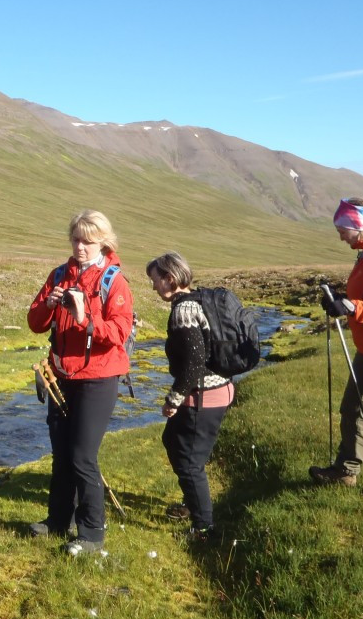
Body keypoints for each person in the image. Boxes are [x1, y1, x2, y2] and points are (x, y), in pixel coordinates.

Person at [27, 210, 134, 554]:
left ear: (103, 242)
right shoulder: (59, 275)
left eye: (87, 241)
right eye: (75, 239)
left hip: (99, 378)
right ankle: (58, 520)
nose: (80, 247)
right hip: (62, 376)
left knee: (82, 456)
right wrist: (49, 303)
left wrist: (86, 319)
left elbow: (118, 333)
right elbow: (34, 322)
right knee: (61, 453)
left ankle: (92, 532)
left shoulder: (114, 282)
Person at [146, 251, 234, 541]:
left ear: (170, 278)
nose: (154, 286)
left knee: (189, 462)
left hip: (204, 395)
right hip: (218, 389)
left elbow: (194, 363)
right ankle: (191, 502)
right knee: (172, 440)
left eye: (156, 280)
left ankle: (204, 529)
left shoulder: (184, 310)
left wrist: (174, 399)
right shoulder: (200, 300)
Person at [310, 197, 363, 487]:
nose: (339, 234)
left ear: (358, 225)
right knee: (353, 407)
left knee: (360, 408)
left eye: (342, 228)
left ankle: (346, 470)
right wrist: (341, 300)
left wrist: (353, 308)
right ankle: (345, 472)